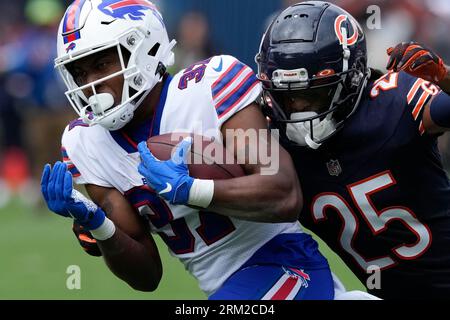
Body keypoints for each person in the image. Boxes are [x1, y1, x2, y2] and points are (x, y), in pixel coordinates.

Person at [41, 0, 337, 300]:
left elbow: (284, 194)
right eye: (79, 73)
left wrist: (190, 190)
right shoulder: (84, 143)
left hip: (288, 264)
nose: (91, 85)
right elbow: (146, 276)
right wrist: (99, 224)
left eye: (101, 65)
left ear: (142, 49)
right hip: (228, 289)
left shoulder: (211, 86)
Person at [255, 0, 450, 299]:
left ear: (353, 77)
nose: (300, 112)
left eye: (314, 94)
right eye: (288, 99)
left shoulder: (395, 102)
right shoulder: (273, 142)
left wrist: (444, 77)